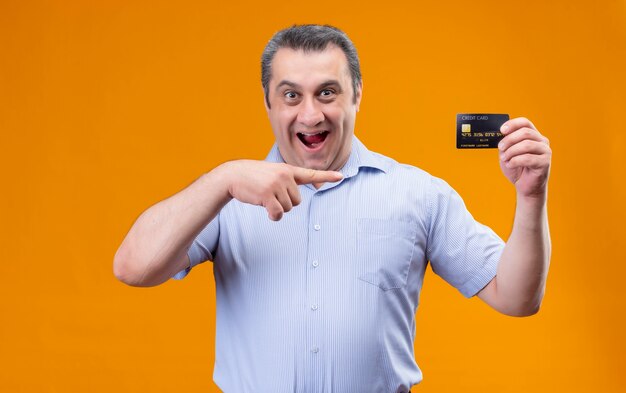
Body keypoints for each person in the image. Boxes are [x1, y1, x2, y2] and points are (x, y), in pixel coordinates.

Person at [114, 24, 551, 392]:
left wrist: (531, 197)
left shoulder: (418, 193)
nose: (310, 115)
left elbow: (516, 297)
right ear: (267, 100)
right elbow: (133, 267)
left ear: (357, 94)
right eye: (290, 95)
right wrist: (221, 180)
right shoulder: (225, 200)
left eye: (327, 92)